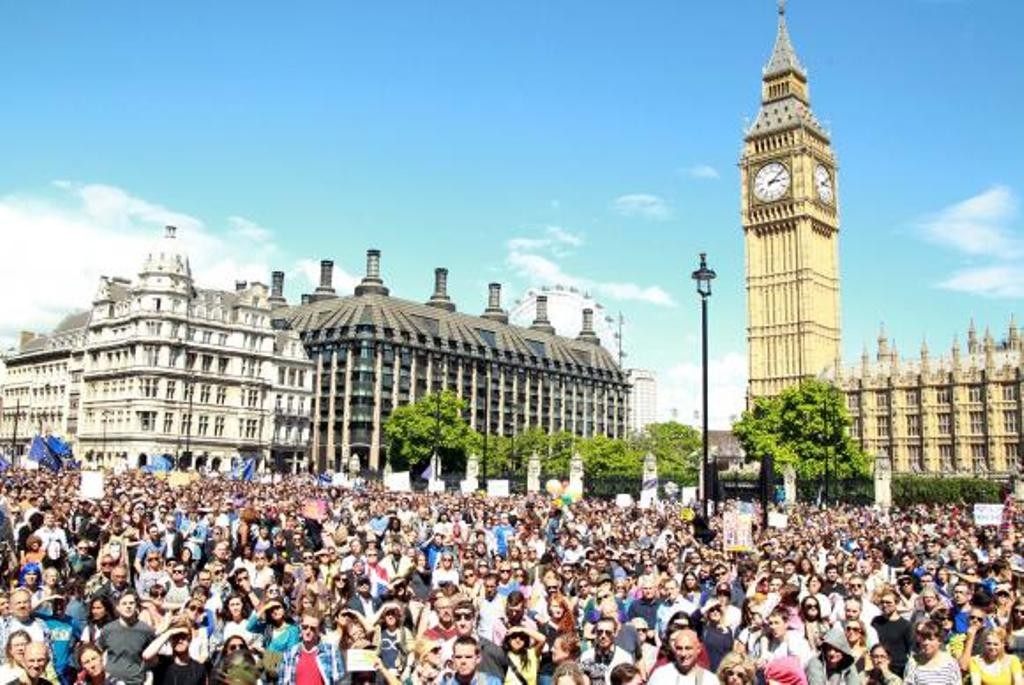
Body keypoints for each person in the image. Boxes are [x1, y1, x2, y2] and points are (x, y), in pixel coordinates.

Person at [97, 591, 157, 685]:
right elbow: (99, 652)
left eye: (131, 603)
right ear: (118, 607)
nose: (128, 606)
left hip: (136, 681)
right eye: (124, 603)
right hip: (111, 681)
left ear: (136, 606)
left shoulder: (146, 630)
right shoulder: (108, 629)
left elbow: (153, 659)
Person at [276, 611, 344, 685]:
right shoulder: (289, 654)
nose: (308, 631)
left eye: (313, 629)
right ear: (300, 627)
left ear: (319, 630)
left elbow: (340, 680)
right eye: (305, 627)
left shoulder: (331, 652)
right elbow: (282, 682)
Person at [647, 628, 719, 685]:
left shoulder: (710, 680)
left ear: (698, 649)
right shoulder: (661, 675)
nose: (683, 654)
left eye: (688, 648)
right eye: (679, 648)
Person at [143, 622, 207, 685]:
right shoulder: (162, 662)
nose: (180, 641)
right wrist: (170, 632)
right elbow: (146, 656)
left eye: (183, 637)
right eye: (176, 637)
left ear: (190, 639)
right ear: (170, 640)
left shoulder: (198, 669)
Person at [903, 621, 961, 685]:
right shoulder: (913, 663)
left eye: (931, 639)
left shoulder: (951, 663)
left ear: (939, 640)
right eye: (923, 639)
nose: (926, 643)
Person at [872, 591, 913, 677]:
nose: (885, 605)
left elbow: (911, 649)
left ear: (897, 604)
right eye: (882, 602)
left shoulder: (905, 625)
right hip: (878, 667)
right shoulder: (876, 621)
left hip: (898, 669)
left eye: (888, 602)